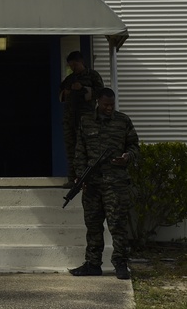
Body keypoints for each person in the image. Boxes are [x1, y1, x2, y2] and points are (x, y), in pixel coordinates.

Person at [70, 87, 140, 280]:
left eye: (112, 105)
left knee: (117, 224)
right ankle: (93, 264)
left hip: (115, 183)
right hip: (92, 183)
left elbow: (134, 146)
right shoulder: (86, 121)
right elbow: (79, 151)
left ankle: (120, 263)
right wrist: (79, 176)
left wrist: (127, 157)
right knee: (93, 225)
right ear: (98, 102)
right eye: (106, 104)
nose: (109, 108)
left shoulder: (123, 121)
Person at [59, 50, 104, 188]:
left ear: (81, 62)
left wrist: (84, 88)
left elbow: (101, 93)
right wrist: (67, 91)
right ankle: (72, 179)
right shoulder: (69, 78)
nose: (73, 68)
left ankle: (86, 178)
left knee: (86, 148)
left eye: (75, 65)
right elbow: (61, 95)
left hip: (86, 118)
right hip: (70, 119)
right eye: (71, 66)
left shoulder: (92, 75)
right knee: (71, 149)